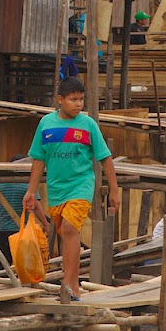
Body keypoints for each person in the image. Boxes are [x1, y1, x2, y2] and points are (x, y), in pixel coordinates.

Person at [26, 77, 120, 301]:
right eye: (73, 99)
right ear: (60, 100)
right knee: (65, 233)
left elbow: (105, 158)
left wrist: (114, 191)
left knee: (69, 228)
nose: (78, 104)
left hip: (81, 185)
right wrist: (30, 191)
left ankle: (72, 284)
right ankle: (67, 283)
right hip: (57, 189)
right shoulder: (46, 124)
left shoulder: (88, 125)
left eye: (81, 99)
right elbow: (39, 159)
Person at [0, 156, 30, 265]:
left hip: (2, 230)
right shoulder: (27, 187)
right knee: (21, 263)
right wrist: (45, 224)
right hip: (21, 231)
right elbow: (37, 206)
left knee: (0, 262)